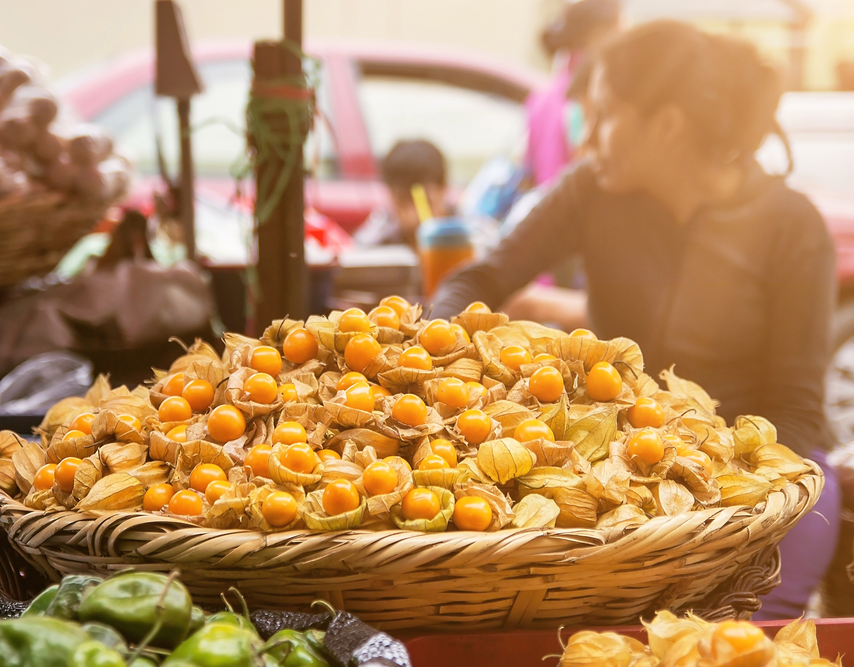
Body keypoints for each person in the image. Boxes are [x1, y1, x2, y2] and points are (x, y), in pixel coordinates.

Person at [430, 20, 840, 619]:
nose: (587, 139)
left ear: (667, 125)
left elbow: (796, 412)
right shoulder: (592, 193)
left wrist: (712, 502)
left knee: (717, 648)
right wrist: (437, 348)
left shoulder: (789, 227)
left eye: (603, 116)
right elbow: (478, 279)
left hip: (764, 490)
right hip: (628, 480)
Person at [525, 0, 622, 188]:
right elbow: (583, 158)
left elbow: (529, 167)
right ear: (599, 34)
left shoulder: (540, 98)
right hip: (571, 206)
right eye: (620, 28)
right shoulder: (586, 95)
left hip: (547, 206)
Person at [354, 139, 497, 252]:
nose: (413, 216)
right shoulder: (378, 236)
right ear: (390, 196)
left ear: (444, 189)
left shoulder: (471, 232)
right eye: (404, 202)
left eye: (427, 202)